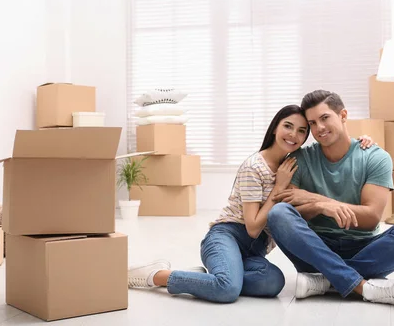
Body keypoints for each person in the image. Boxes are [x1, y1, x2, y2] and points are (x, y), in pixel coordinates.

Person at [127, 104, 375, 303]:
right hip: (227, 236)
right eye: (288, 126)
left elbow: (332, 148)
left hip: (255, 250)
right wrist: (278, 189)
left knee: (273, 283)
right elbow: (253, 227)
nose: (294, 135)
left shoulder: (293, 166)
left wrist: (362, 142)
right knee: (227, 290)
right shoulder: (254, 167)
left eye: (301, 131)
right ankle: (155, 276)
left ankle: (209, 276)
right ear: (275, 128)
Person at [266, 90, 394, 306]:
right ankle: (360, 285)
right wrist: (319, 208)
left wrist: (318, 201)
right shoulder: (300, 159)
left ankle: (326, 280)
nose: (319, 129)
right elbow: (291, 212)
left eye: (325, 118)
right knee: (278, 213)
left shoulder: (375, 157)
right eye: (313, 123)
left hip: (364, 246)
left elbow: (371, 218)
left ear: (343, 115)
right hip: (315, 248)